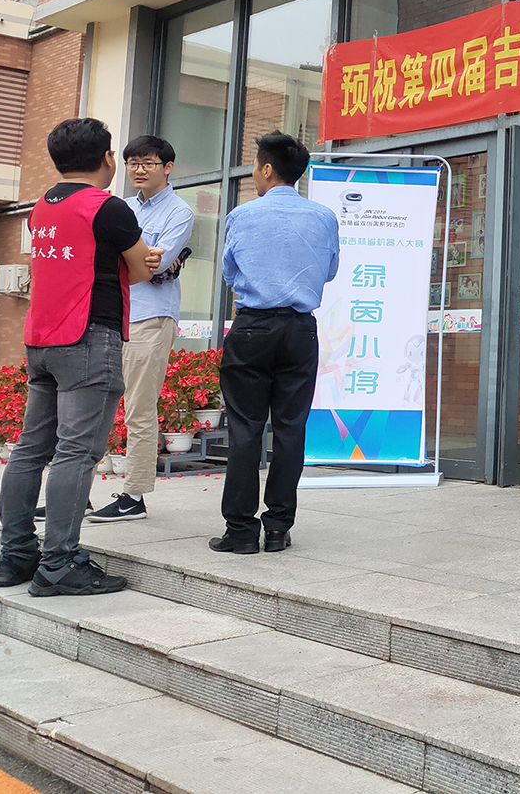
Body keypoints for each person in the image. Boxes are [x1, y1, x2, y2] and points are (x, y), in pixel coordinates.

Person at [0, 118, 162, 596]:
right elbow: (140, 270)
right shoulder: (108, 207)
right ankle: (60, 563)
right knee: (77, 452)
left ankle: (15, 555)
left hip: (41, 340)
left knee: (30, 449)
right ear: (107, 158)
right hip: (89, 339)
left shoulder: (41, 208)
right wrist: (144, 260)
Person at [211, 132, 339, 555]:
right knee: (290, 428)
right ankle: (279, 528)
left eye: (254, 166)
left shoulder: (243, 215)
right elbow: (330, 271)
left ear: (267, 169)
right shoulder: (323, 217)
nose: (253, 173)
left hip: (253, 327)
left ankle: (241, 531)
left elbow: (230, 272)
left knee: (245, 428)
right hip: (300, 330)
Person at [89, 136, 195, 524]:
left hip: (151, 318)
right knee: (92, 409)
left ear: (168, 167)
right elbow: (131, 258)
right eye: (132, 162)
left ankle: (133, 496)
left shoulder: (180, 211)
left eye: (148, 162)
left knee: (138, 409)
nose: (138, 169)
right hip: (113, 316)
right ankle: (75, 494)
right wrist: (142, 257)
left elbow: (155, 264)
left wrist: (137, 257)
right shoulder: (122, 207)